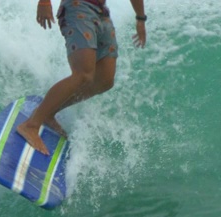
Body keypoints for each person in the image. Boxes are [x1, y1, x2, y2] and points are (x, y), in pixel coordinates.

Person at [17, 0, 147, 155]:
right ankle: (31, 125)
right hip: (78, 7)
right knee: (83, 74)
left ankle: (48, 113)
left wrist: (140, 18)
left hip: (101, 12)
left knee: (105, 80)